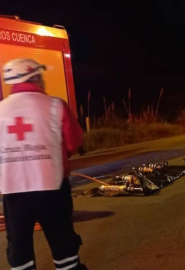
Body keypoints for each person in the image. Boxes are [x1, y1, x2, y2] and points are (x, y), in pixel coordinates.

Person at [0, 58, 87, 270]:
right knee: (63, 243)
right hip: (52, 189)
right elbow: (74, 142)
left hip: (13, 192)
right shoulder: (56, 105)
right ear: (36, 77)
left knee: (19, 245)